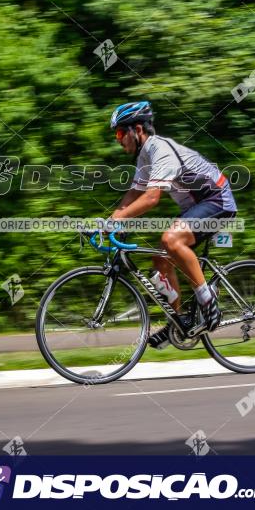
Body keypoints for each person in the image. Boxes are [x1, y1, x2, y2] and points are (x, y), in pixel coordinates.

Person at [106, 101, 237, 347]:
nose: (118, 139)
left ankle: (208, 302)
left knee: (170, 239)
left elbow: (152, 197)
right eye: (117, 134)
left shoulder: (159, 148)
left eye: (121, 133)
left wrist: (118, 219)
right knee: (160, 259)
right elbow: (134, 193)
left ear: (137, 129)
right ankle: (176, 323)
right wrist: (111, 219)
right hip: (196, 207)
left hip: (217, 200)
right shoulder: (144, 157)